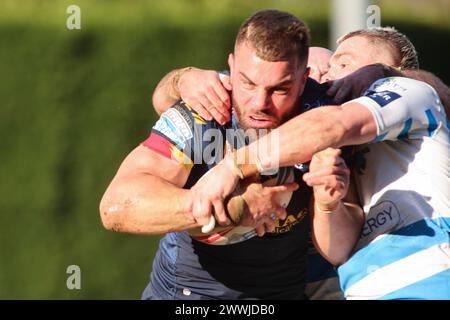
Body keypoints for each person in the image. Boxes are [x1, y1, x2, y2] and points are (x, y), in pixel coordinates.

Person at [151, 26, 428, 300]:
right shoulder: (266, 101)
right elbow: (168, 101)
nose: (324, 78)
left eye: (342, 65)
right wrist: (181, 79)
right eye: (319, 69)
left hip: (333, 281)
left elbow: (337, 243)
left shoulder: (374, 121)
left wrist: (327, 203)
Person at [99, 10, 359, 300]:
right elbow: (116, 207)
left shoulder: (326, 121)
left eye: (280, 89)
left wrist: (327, 205)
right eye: (247, 83)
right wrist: (235, 209)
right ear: (231, 68)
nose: (260, 103)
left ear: (303, 79)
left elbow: (339, 249)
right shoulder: (205, 109)